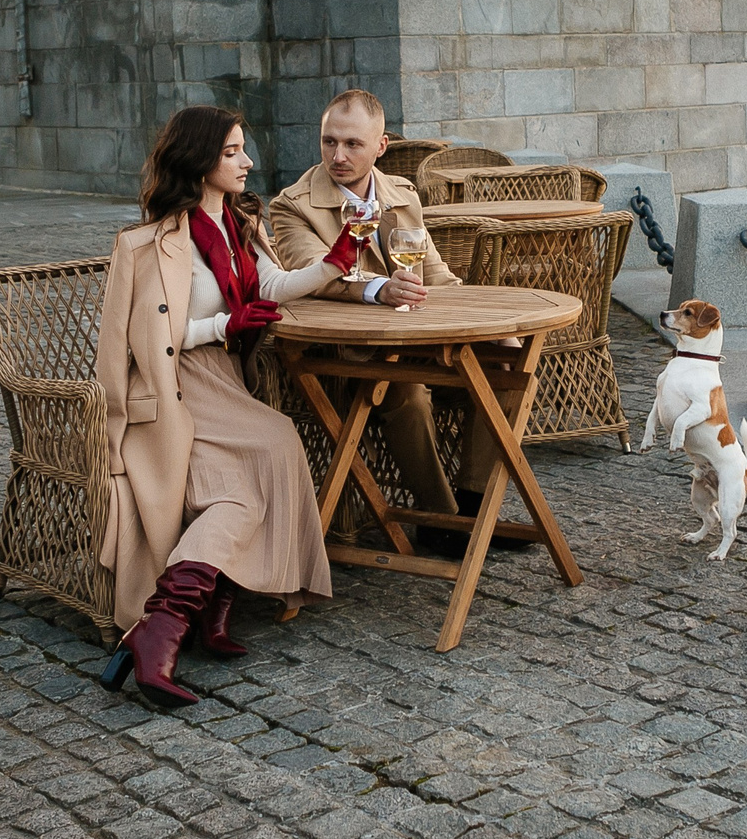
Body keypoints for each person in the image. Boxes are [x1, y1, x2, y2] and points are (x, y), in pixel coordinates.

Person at [93, 105, 374, 707]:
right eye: (231, 153)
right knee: (275, 442)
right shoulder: (149, 244)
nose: (247, 162)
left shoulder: (240, 224)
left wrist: (333, 263)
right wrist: (223, 324)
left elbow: (270, 286)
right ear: (198, 161)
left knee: (239, 492)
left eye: (244, 149)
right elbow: (146, 342)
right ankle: (174, 623)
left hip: (223, 376)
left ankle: (174, 625)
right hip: (177, 382)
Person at [265, 90, 503, 555]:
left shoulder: (402, 194)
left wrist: (488, 328)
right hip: (344, 355)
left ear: (381, 146)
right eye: (328, 141)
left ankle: (474, 512)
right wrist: (377, 289)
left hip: (418, 340)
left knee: (505, 370)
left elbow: (436, 276)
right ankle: (438, 517)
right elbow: (313, 276)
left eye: (353, 144)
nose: (338, 155)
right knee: (406, 393)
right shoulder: (292, 205)